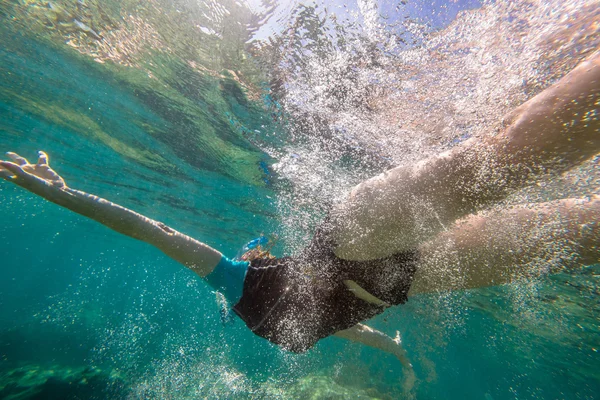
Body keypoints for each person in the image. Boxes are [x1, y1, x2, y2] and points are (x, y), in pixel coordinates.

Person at [1, 51, 598, 364]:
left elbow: (150, 230)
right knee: (573, 238)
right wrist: (399, 357)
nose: (257, 251)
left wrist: (62, 193)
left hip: (357, 239)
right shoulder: (253, 296)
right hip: (408, 279)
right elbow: (362, 334)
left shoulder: (240, 286)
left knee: (509, 159)